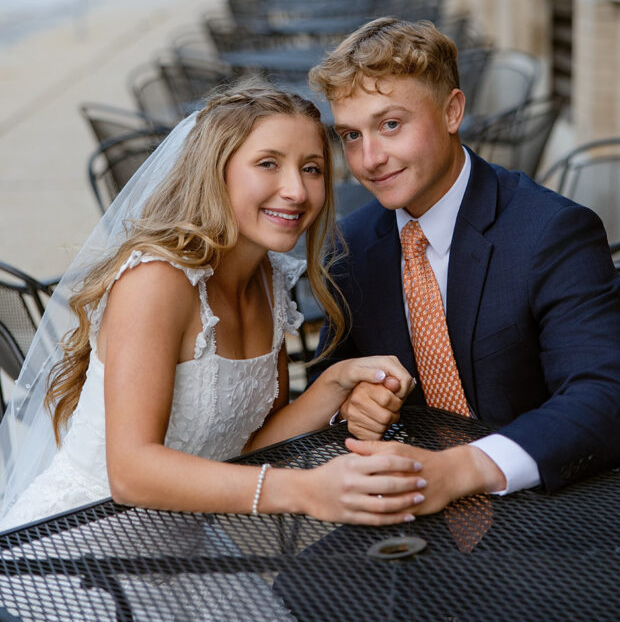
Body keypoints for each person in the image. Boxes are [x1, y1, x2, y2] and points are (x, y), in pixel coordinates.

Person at [0, 81, 426, 531]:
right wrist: (306, 490)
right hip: (84, 542)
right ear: (216, 170)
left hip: (184, 542)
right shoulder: (157, 283)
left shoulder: (269, 279)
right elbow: (130, 473)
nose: (296, 191)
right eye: (268, 164)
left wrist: (336, 383)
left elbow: (249, 448)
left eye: (312, 169)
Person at [308, 17, 620, 513]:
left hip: (578, 503)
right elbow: (330, 382)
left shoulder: (551, 231)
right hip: (428, 515)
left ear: (452, 110)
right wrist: (352, 406)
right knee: (302, 590)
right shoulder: (349, 248)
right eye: (351, 135)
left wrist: (461, 468)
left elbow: (607, 398)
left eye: (391, 124)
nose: (369, 158)